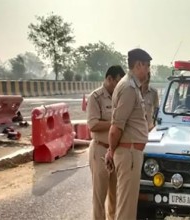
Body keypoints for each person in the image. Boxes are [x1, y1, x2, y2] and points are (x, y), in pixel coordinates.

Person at [105, 48, 152, 220]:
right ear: (138, 64)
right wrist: (111, 151)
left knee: (126, 206)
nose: (148, 70)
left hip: (129, 153)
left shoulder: (130, 86)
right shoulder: (129, 88)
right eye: (146, 66)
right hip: (129, 154)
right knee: (126, 209)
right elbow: (116, 127)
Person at [87, 65, 125, 220]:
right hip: (100, 150)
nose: (120, 85)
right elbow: (93, 124)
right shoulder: (95, 97)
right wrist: (116, 123)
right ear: (109, 79)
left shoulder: (120, 97)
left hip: (116, 151)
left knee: (115, 196)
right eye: (118, 81)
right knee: (99, 196)